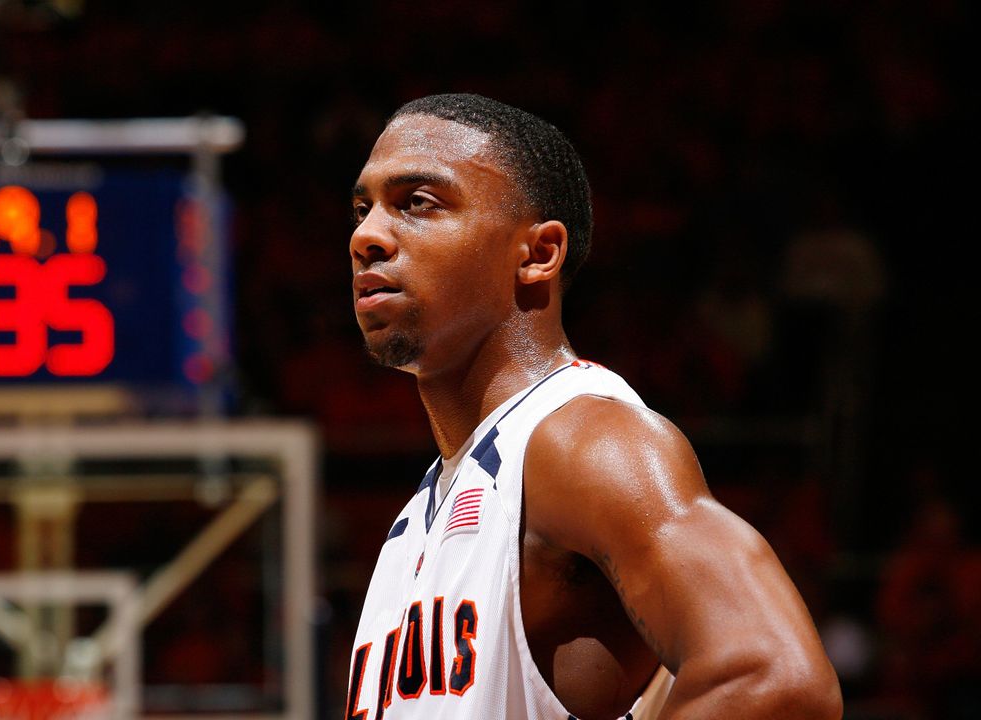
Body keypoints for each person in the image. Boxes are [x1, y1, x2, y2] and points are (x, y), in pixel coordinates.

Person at [343, 94, 841, 720]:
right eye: (363, 208)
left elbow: (777, 678)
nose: (367, 235)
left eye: (417, 202)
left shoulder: (582, 439)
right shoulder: (425, 509)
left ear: (537, 253)